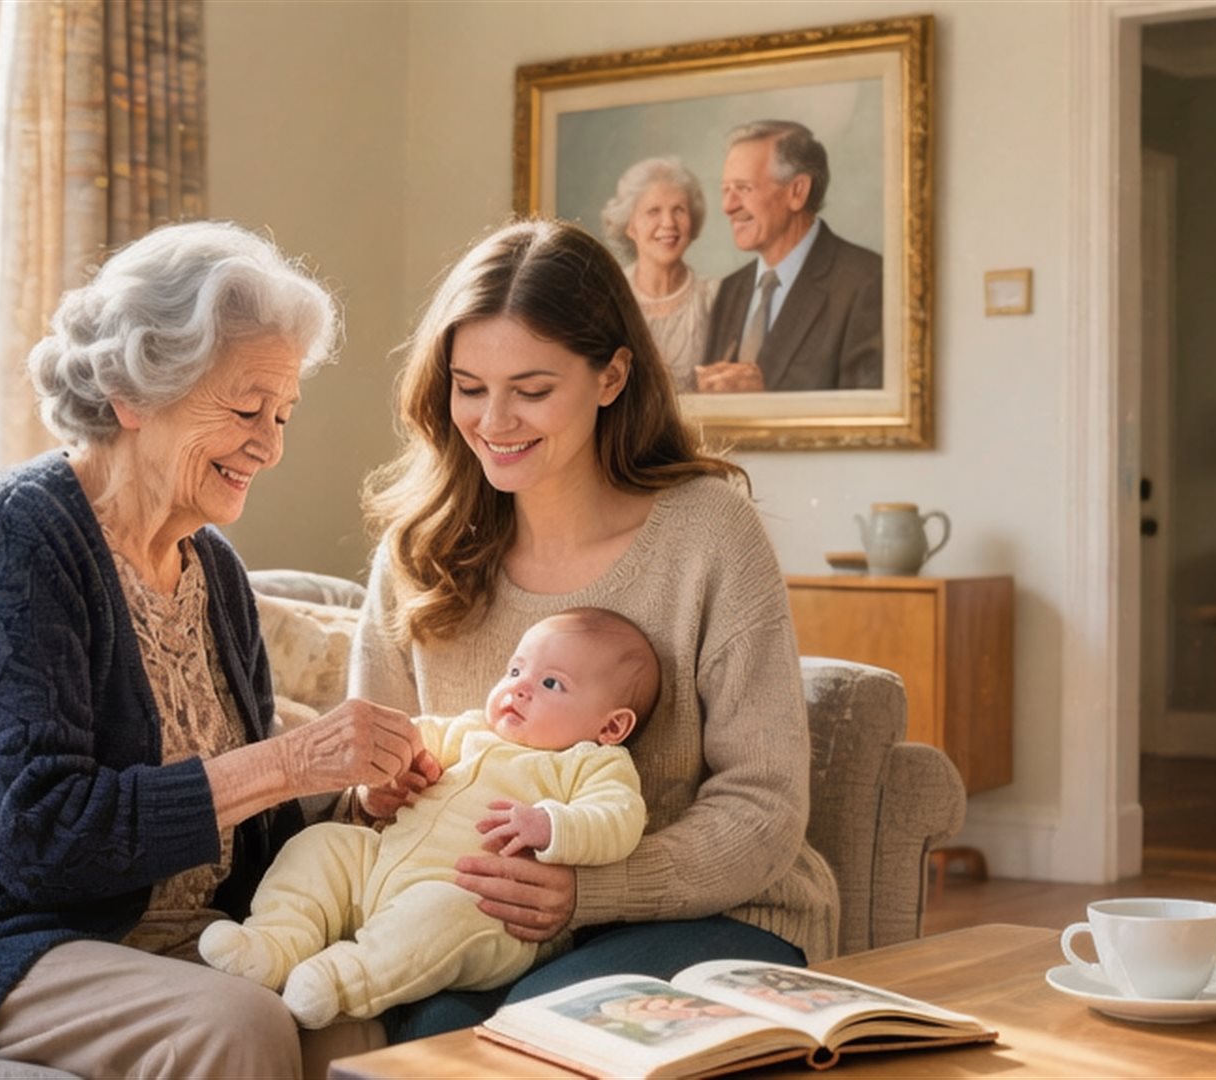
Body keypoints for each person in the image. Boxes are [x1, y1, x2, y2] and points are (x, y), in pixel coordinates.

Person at [0, 221, 426, 1079]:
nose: (271, 444)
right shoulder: (12, 541)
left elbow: (238, 837)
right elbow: (42, 837)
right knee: (233, 1026)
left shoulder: (211, 570)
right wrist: (292, 760)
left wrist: (355, 800)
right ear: (131, 392)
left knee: (352, 1026)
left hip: (141, 940)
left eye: (284, 413)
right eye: (245, 408)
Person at [352, 218, 839, 1043]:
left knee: (543, 1034)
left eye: (532, 390)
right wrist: (373, 791)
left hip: (707, 911)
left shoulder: (709, 534)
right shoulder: (420, 548)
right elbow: (360, 780)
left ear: (612, 375)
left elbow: (765, 805)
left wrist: (592, 890)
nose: (494, 420)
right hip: (474, 922)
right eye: (469, 386)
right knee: (432, 1036)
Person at [199, 607, 656, 1028]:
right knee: (321, 845)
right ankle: (274, 943)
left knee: (443, 917)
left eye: (551, 684)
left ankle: (342, 979)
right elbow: (411, 739)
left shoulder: (590, 763)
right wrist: (394, 772)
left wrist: (553, 826)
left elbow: (620, 818)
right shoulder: (471, 729)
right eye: (516, 670)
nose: (518, 687)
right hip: (380, 863)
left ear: (611, 727)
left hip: (481, 904)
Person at [696, 120, 882, 394]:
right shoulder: (731, 289)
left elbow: (871, 418)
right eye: (726, 190)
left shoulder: (866, 282)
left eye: (744, 188)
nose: (728, 206)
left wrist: (765, 392)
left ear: (797, 191)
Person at [599, 157, 719, 393]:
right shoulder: (606, 299)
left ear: (692, 222)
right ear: (629, 226)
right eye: (653, 211)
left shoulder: (716, 298)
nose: (668, 223)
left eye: (679, 210)